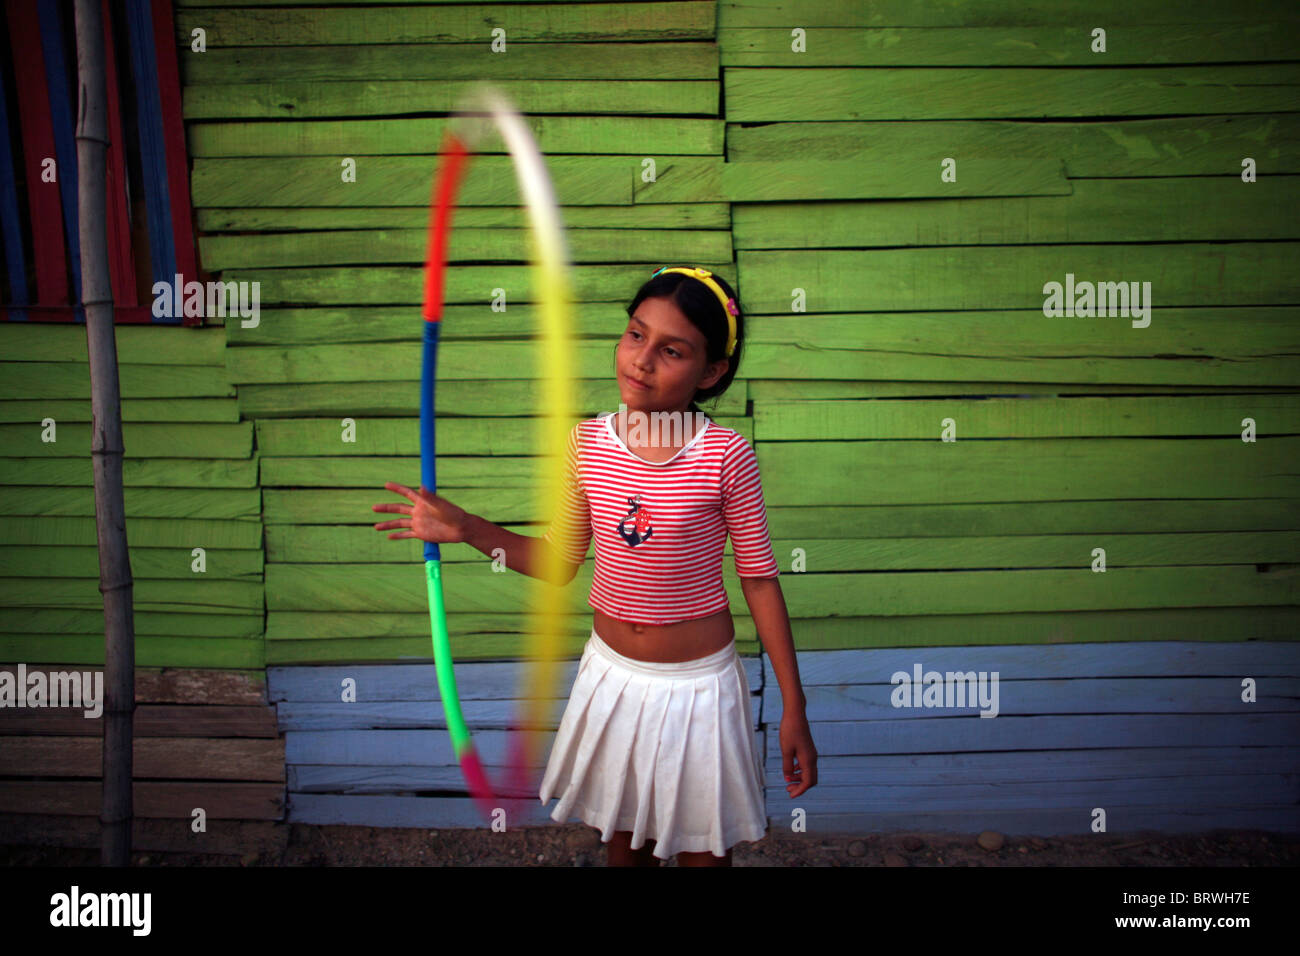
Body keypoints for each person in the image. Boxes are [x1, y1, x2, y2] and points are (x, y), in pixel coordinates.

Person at [373, 266, 817, 866]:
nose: (642, 360)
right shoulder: (586, 445)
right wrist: (468, 529)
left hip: (698, 692)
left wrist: (794, 706)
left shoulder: (725, 456)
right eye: (636, 335)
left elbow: (761, 580)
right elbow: (559, 562)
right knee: (624, 845)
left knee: (703, 854)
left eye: (672, 350)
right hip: (613, 680)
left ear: (711, 372)